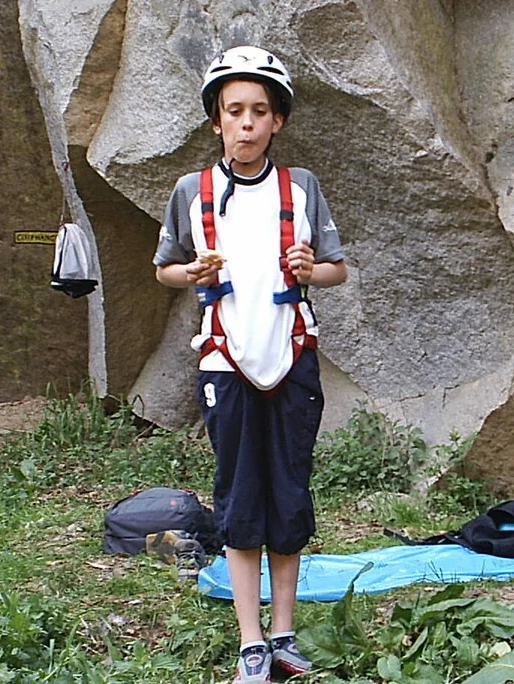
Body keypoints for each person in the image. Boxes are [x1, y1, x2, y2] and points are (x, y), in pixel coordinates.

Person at [153, 45, 348, 683]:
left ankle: (285, 634)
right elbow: (165, 271)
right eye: (233, 110)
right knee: (239, 496)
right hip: (224, 359)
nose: (245, 122)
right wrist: (194, 272)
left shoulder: (302, 187)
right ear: (216, 121)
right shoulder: (193, 191)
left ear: (277, 121)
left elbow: (336, 270)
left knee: (290, 493)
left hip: (292, 356)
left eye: (258, 111)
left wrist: (308, 269)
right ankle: (250, 641)